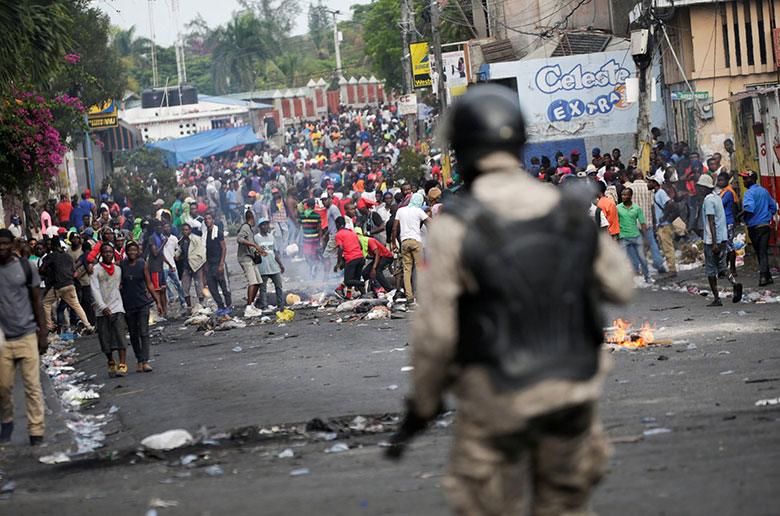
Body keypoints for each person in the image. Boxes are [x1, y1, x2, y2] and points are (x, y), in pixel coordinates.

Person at [385, 85, 634, 515]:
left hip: (496, 402)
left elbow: (436, 335)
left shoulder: (454, 225)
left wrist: (423, 405)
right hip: (570, 396)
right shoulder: (566, 209)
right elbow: (621, 286)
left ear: (462, 151)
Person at [0, 229, 48, 446]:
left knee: (32, 386)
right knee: (3, 387)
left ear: (12, 245)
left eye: (5, 243)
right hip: (2, 339)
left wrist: (43, 334)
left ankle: (36, 431)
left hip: (27, 334)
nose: (1, 247)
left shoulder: (25, 267)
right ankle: (7, 420)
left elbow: (37, 302)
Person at [697, 174, 742, 306]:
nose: (699, 190)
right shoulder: (716, 198)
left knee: (711, 269)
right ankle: (735, 283)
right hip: (722, 238)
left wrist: (714, 243)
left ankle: (717, 298)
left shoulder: (708, 201)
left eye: (700, 187)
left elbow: (711, 222)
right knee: (722, 266)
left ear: (704, 188)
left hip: (712, 240)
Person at [120, 241, 162, 372]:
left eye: (135, 250)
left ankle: (145, 361)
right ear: (126, 252)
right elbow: (107, 266)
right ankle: (139, 359)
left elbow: (149, 284)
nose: (132, 252)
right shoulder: (121, 265)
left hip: (142, 302)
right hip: (128, 304)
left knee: (144, 332)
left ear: (138, 251)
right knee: (133, 334)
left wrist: (158, 302)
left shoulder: (143, 264)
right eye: (130, 250)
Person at [39, 236, 94, 334]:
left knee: (45, 303)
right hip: (70, 284)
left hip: (59, 286)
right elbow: (73, 270)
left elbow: (42, 269)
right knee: (77, 305)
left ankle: (48, 326)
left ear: (52, 247)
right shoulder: (68, 256)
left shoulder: (51, 256)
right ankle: (88, 326)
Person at [90, 242, 128, 378]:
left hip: (117, 307)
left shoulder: (118, 269)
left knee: (120, 336)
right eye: (105, 251)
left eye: (110, 252)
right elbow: (95, 289)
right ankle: (110, 360)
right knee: (105, 340)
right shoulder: (95, 270)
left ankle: (122, 364)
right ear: (101, 253)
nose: (108, 254)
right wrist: (102, 306)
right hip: (102, 310)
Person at [739, 170, 777, 286]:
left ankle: (763, 277)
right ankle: (767, 276)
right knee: (763, 251)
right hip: (765, 225)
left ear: (752, 179)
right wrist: (767, 216)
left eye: (746, 179)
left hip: (754, 227)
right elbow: (773, 207)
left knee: (760, 252)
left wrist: (739, 215)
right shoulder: (764, 191)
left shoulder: (749, 193)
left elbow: (749, 208)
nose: (744, 181)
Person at [392, 192, 430, 302]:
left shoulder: (401, 210)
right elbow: (430, 222)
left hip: (404, 242)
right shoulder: (419, 211)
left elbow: (394, 229)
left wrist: (394, 243)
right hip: (416, 241)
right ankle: (419, 294)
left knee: (407, 270)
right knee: (419, 269)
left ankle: (409, 296)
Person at [617, 187, 652, 283]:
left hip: (636, 237)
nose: (623, 197)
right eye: (622, 195)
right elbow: (615, 222)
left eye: (625, 195)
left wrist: (646, 239)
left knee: (643, 259)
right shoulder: (618, 208)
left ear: (630, 196)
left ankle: (647, 277)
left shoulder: (636, 208)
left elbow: (642, 223)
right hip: (623, 237)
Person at [237, 210, 266, 317]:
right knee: (253, 282)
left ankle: (252, 305)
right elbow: (239, 239)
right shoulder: (245, 227)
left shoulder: (249, 229)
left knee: (258, 281)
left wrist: (259, 252)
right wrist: (255, 246)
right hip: (245, 259)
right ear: (252, 218)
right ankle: (248, 308)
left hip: (251, 258)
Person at [202, 212, 232, 314]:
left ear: (212, 220)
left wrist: (221, 264)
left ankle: (228, 306)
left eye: (209, 218)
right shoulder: (205, 235)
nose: (207, 221)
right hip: (210, 264)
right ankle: (220, 306)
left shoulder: (218, 233)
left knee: (224, 286)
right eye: (205, 219)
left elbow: (223, 248)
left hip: (219, 263)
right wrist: (206, 266)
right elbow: (205, 250)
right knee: (212, 287)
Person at [254, 218, 285, 310]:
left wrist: (280, 264)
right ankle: (265, 305)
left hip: (273, 266)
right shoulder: (256, 238)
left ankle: (280, 304)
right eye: (263, 225)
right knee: (263, 288)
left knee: (279, 286)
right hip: (262, 267)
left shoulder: (271, 237)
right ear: (259, 227)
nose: (265, 226)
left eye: (267, 224)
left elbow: (274, 252)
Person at [175, 223, 206, 310]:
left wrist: (199, 261)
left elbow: (202, 251)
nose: (185, 232)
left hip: (196, 265)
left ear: (190, 230)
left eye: (187, 230)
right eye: (184, 230)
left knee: (199, 285)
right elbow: (180, 249)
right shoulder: (182, 240)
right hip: (186, 266)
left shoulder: (196, 239)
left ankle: (201, 303)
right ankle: (189, 306)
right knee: (185, 287)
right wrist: (177, 255)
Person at [651, 177, 678, 278]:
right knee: (665, 247)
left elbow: (669, 203)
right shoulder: (657, 193)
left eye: (650, 182)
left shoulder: (661, 193)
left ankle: (672, 270)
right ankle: (671, 268)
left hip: (665, 225)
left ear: (656, 183)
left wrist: (664, 217)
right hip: (661, 225)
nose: (648, 184)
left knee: (668, 248)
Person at [333, 217, 365, 298]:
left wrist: (338, 263)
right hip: (360, 258)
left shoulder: (338, 235)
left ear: (337, 225)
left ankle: (365, 283)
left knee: (348, 281)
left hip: (351, 258)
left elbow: (340, 248)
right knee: (352, 279)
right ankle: (348, 295)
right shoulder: (352, 233)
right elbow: (360, 246)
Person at [162, 222, 186, 308]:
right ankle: (170, 298)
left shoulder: (174, 238)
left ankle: (183, 300)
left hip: (172, 265)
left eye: (168, 226)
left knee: (178, 284)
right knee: (165, 284)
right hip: (163, 266)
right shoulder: (160, 239)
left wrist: (177, 257)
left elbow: (178, 249)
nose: (167, 228)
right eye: (165, 227)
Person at [147, 221, 168, 317]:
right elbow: (155, 253)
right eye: (158, 227)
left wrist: (169, 264)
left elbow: (161, 253)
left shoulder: (161, 237)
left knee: (163, 289)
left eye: (161, 227)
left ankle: (165, 310)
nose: (160, 229)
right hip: (154, 268)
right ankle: (160, 312)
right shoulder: (152, 238)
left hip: (160, 267)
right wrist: (164, 243)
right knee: (157, 290)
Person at [299, 199, 323, 276]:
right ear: (313, 206)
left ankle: (312, 267)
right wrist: (321, 240)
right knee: (313, 255)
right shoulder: (317, 215)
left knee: (307, 255)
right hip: (315, 239)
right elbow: (320, 229)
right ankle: (313, 270)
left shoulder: (302, 215)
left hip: (306, 239)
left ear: (307, 206)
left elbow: (299, 226)